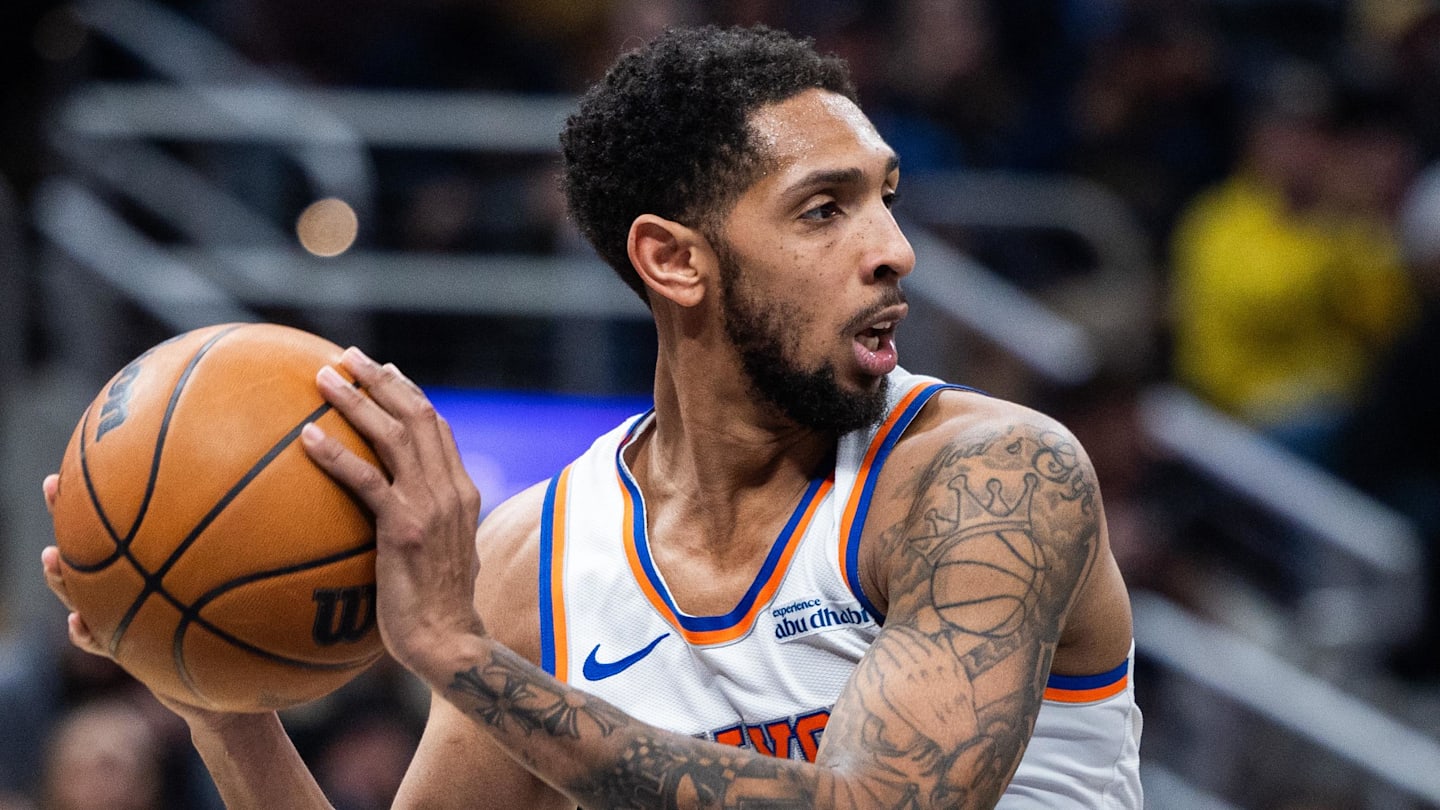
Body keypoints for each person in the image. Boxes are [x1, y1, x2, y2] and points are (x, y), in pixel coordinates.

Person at [41, 25, 1141, 808]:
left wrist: (463, 658)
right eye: (824, 209)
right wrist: (218, 698)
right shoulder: (536, 562)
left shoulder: (994, 476)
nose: (894, 249)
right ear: (674, 260)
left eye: (884, 197)